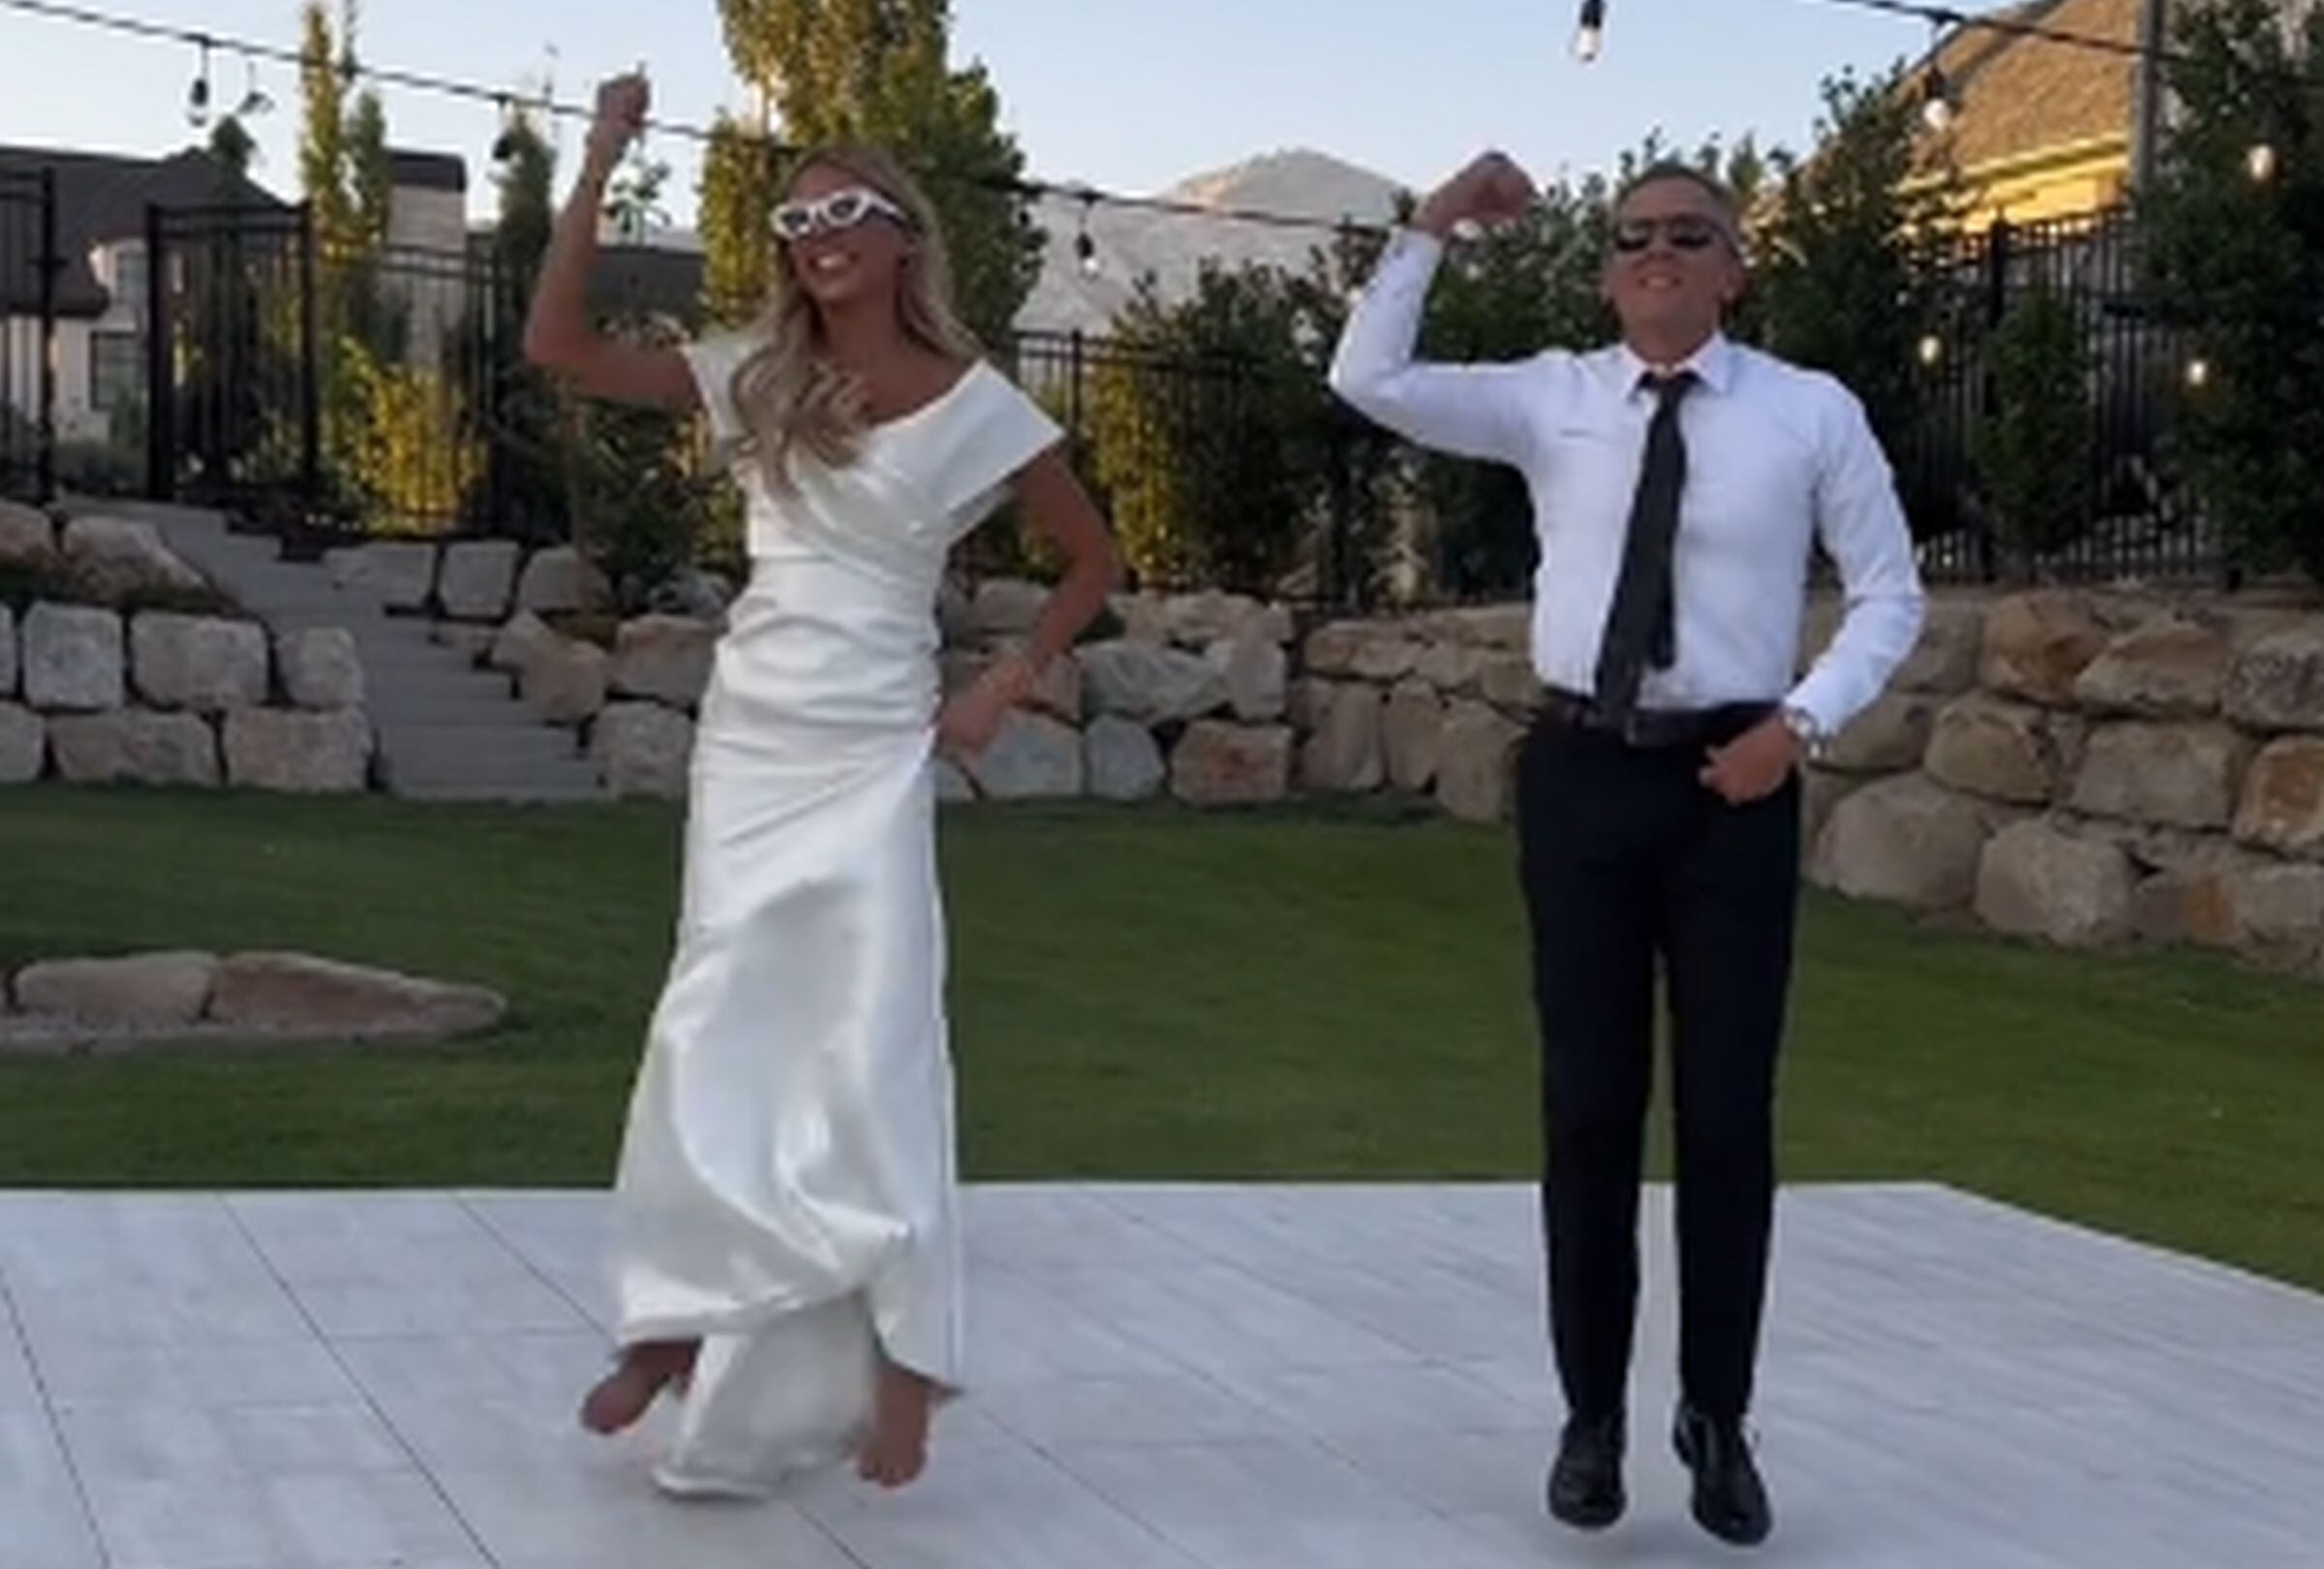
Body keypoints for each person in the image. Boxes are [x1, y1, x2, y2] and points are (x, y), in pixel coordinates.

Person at [523, 74, 1121, 1496]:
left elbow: (1093, 562)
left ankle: (907, 1360)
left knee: (870, 1039)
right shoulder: (759, 377)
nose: (819, 235)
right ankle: (674, 1318)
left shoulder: (981, 407)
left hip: (871, 746)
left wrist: (1003, 683)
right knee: (715, 1020)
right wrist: (599, 156)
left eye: (846, 210)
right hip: (754, 738)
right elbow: (558, 345)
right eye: (796, 222)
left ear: (904, 236)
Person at [1329, 153, 1924, 1547]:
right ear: (1606, 274)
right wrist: (1432, 227)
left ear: (1736, 269)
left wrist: (1799, 724)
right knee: (1589, 1108)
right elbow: (1369, 377)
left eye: (1689, 235)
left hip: (1736, 783)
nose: (1658, 251)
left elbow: (1891, 596)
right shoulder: (1556, 396)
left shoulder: (1808, 412)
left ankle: (1716, 1417)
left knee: (1726, 1116)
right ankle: (1589, 1419)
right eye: (1633, 236)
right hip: (1586, 776)